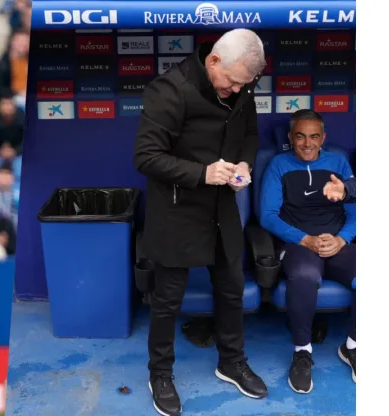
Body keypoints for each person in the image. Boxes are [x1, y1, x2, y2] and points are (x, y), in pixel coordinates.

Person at [134, 28, 268, 416]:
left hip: (223, 208)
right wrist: (202, 173)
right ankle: (160, 372)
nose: (234, 91)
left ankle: (232, 362)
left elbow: (249, 135)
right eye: (231, 82)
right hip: (177, 209)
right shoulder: (169, 90)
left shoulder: (240, 86)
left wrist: (243, 163)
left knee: (231, 288)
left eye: (244, 85)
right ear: (213, 61)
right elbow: (145, 157)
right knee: (167, 299)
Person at [259, 109, 356, 393]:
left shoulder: (338, 161)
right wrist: (304, 239)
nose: (307, 143)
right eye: (300, 136)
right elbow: (268, 215)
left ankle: (353, 346)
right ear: (290, 137)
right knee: (303, 277)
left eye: (314, 136)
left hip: (336, 241)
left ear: (323, 138)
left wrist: (342, 239)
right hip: (298, 243)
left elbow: (357, 207)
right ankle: (302, 351)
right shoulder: (278, 164)